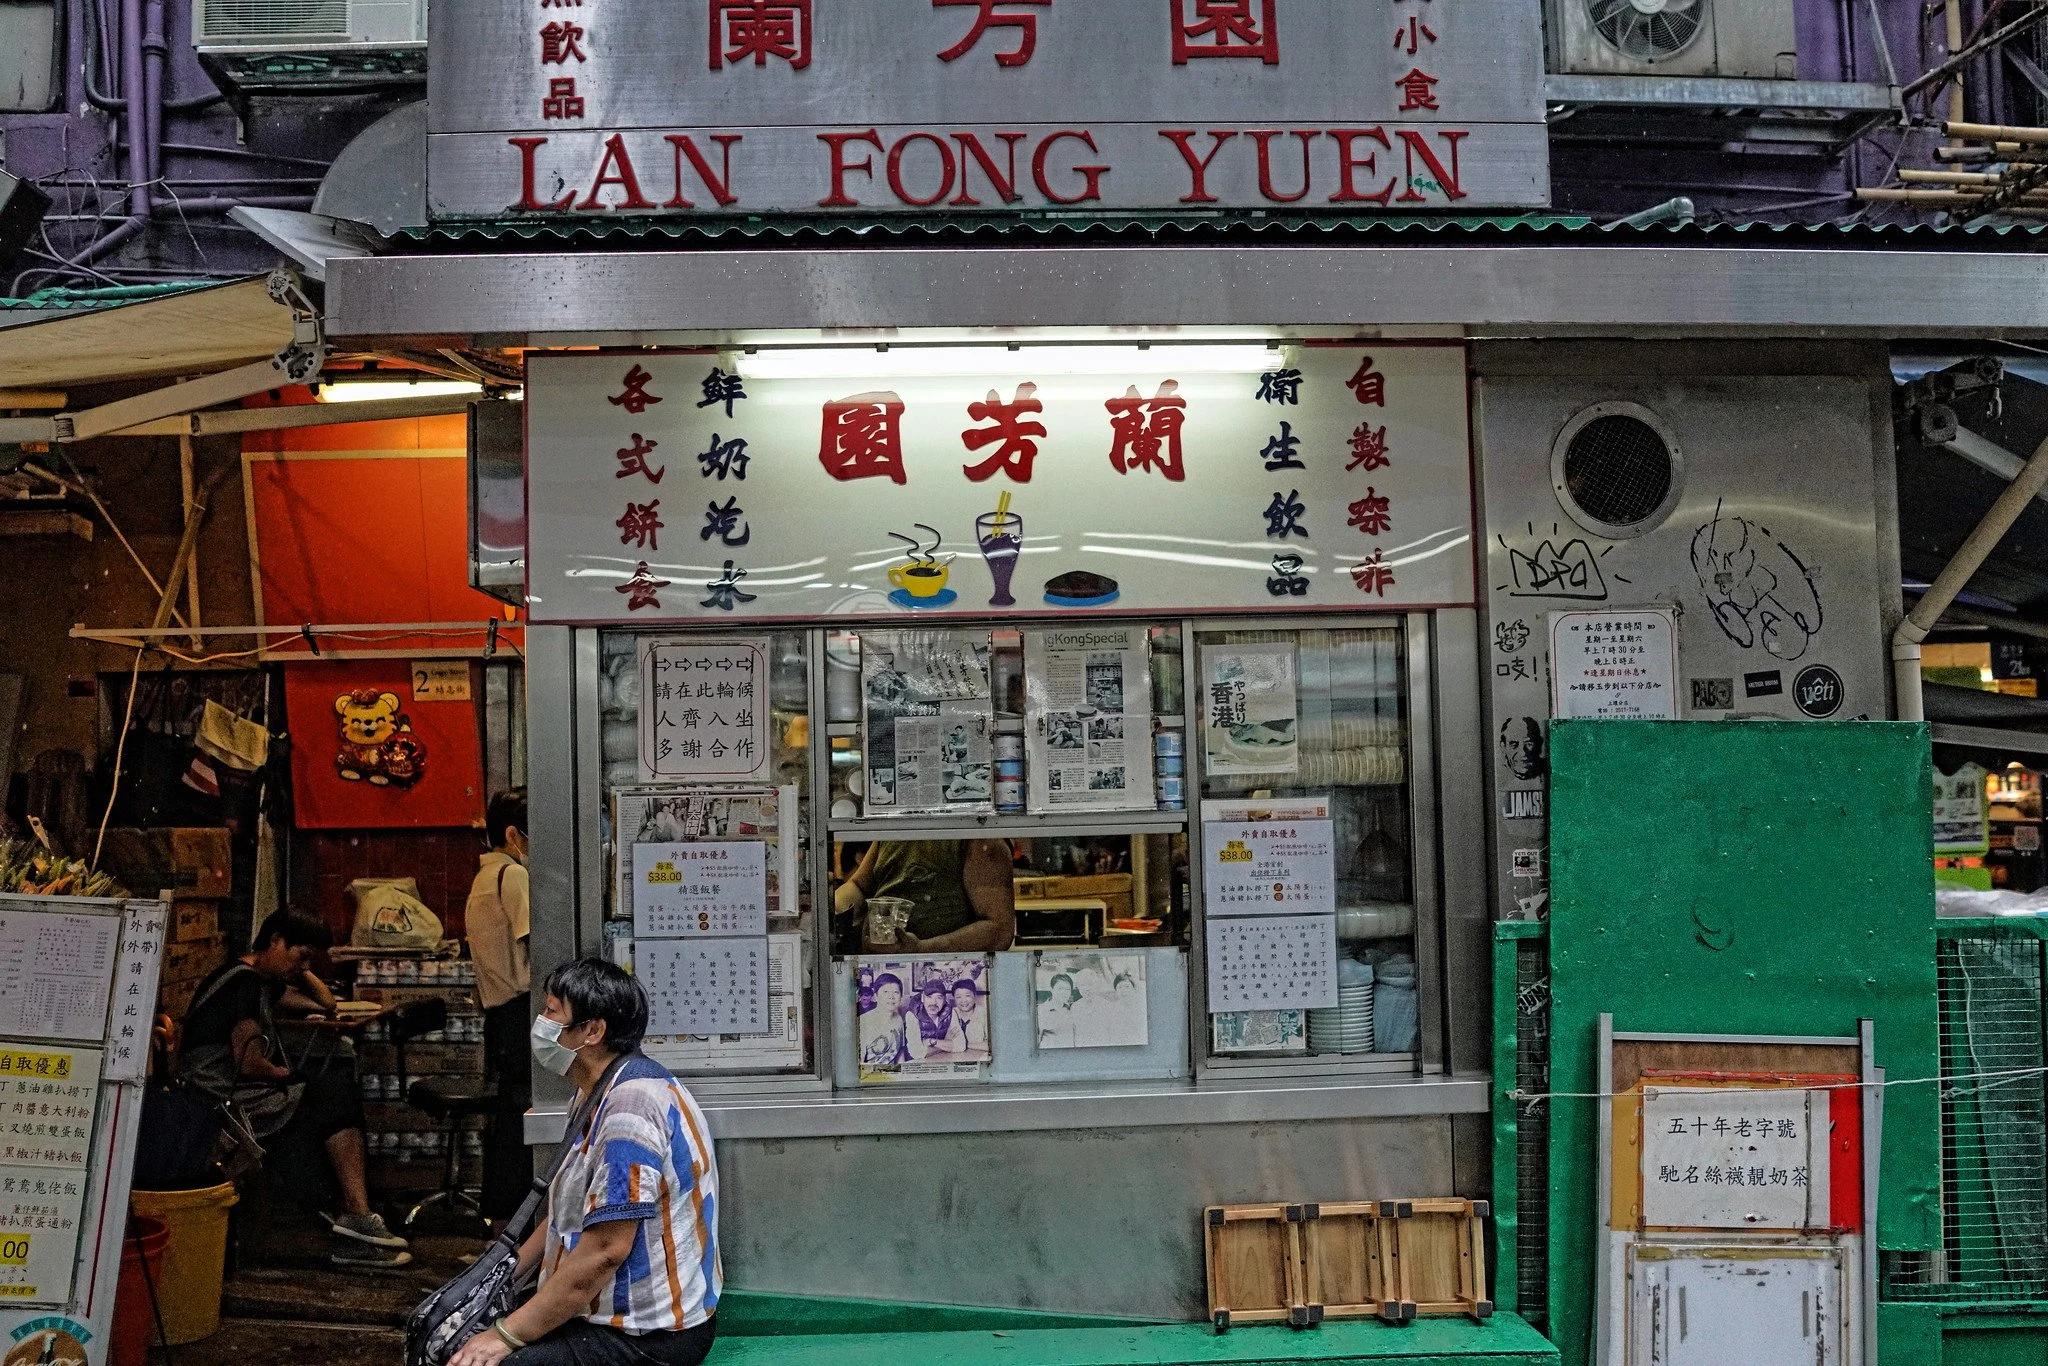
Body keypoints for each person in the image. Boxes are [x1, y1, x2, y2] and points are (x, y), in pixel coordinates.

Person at [449, 959, 719, 1366]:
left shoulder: (631, 1108)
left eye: (553, 1012)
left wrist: (504, 1335)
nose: (541, 1023)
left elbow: (606, 1250)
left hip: (646, 1334)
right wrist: (494, 1279)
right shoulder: (598, 1089)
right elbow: (564, 1214)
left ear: (592, 1031)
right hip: (602, 1315)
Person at [179, 910, 410, 1269]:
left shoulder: (257, 979)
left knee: (331, 1093)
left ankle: (354, 1217)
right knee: (331, 1096)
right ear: (274, 941)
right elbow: (250, 1061)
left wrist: (299, 967)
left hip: (235, 1088)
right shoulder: (243, 983)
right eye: (299, 954)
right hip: (222, 1096)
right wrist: (286, 1074)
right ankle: (356, 1214)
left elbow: (326, 1005)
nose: (302, 966)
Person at [467, 788, 533, 1223]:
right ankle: (518, 1225)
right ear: (513, 835)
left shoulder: (483, 879)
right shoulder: (513, 876)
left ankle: (503, 1224)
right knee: (521, 1122)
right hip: (520, 1014)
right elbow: (537, 943)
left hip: (500, 1018)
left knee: (509, 1122)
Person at [834, 839, 1015, 953]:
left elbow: (999, 930)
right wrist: (825, 907)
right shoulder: (893, 829)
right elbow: (858, 887)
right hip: (879, 971)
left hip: (945, 979)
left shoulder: (979, 836)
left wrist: (921, 948)